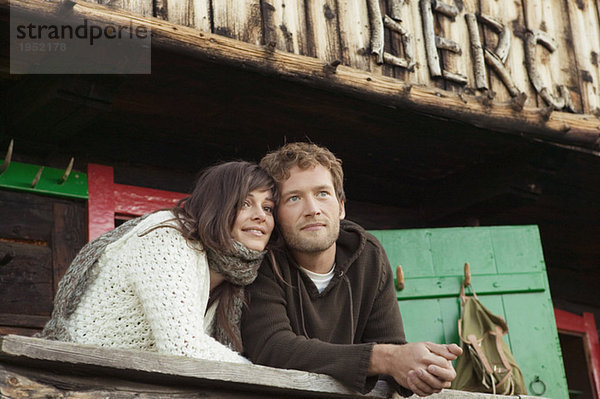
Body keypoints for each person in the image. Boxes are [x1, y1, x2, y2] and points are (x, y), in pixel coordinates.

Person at [241, 143, 462, 396]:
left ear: (341, 206)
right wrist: (387, 358)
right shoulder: (262, 259)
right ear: (275, 215)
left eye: (322, 193)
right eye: (294, 198)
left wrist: (420, 369)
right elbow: (272, 347)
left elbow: (391, 346)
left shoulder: (368, 255)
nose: (313, 209)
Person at [40, 161, 276, 364]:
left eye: (268, 207)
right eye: (245, 203)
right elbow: (183, 348)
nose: (260, 215)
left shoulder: (234, 276)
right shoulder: (168, 236)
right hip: (71, 374)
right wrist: (258, 375)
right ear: (217, 205)